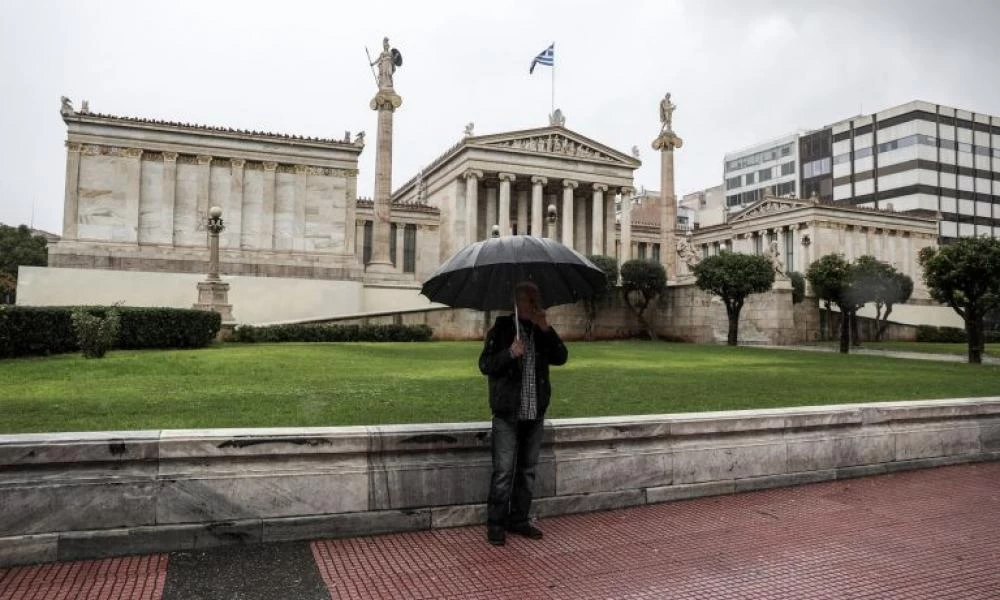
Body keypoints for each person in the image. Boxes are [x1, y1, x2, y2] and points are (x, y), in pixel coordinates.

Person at [478, 281, 568, 546]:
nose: (536, 306)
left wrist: (545, 328)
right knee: (504, 471)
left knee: (527, 471)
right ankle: (496, 524)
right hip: (508, 413)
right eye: (531, 301)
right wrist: (509, 353)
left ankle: (519, 519)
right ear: (518, 304)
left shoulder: (541, 331)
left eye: (536, 300)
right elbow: (485, 365)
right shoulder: (502, 329)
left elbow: (561, 357)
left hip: (534, 412)